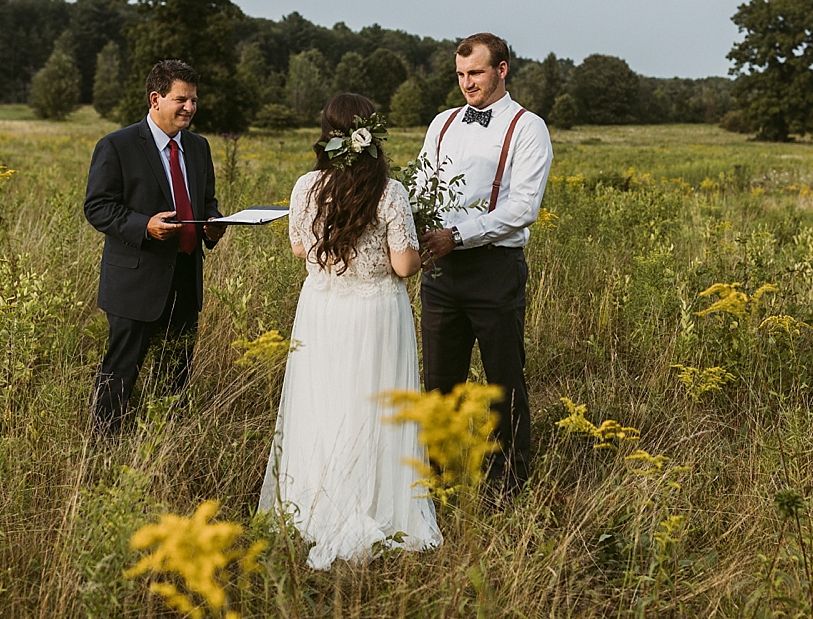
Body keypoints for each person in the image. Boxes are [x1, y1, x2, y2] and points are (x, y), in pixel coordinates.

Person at [259, 94, 441, 569]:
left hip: (322, 308)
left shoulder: (306, 187)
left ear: (328, 133)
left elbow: (299, 249)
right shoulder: (390, 192)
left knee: (323, 404)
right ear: (371, 136)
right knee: (375, 404)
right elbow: (403, 265)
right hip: (376, 312)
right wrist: (420, 248)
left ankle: (314, 504)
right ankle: (379, 501)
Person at [417, 33, 553, 498]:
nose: (466, 83)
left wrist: (457, 235)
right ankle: (440, 480)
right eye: (460, 74)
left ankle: (509, 484)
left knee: (503, 382)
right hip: (439, 271)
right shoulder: (441, 123)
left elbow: (523, 208)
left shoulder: (528, 127)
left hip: (495, 268)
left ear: (501, 70)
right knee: (439, 382)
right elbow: (421, 184)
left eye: (475, 72)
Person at [83, 59, 224, 434]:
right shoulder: (117, 146)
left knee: (176, 371)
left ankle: (164, 443)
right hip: (135, 281)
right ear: (155, 99)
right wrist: (144, 225)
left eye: (194, 100)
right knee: (121, 371)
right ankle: (104, 448)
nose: (190, 108)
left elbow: (206, 201)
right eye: (182, 100)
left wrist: (213, 223)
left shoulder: (198, 147)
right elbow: (96, 207)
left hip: (185, 278)